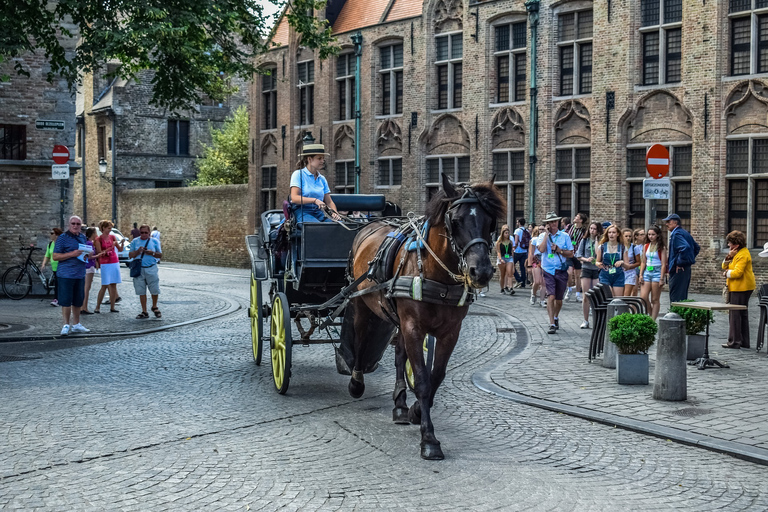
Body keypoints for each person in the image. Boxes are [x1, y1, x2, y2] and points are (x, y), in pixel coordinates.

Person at [51, 216, 91, 336]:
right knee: (66, 300)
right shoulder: (62, 238)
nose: (75, 226)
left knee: (78, 301)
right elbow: (55, 256)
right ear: (69, 224)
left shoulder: (83, 237)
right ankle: (65, 325)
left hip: (80, 274)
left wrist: (88, 254)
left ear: (81, 225)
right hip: (66, 274)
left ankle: (76, 324)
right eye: (73, 223)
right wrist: (72, 254)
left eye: (78, 224)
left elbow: (84, 254)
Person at [538, 212, 574, 334]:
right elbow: (541, 250)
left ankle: (555, 316)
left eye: (555, 221)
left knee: (559, 299)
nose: (553, 224)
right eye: (550, 222)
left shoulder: (565, 236)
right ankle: (551, 323)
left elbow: (571, 253)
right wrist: (546, 236)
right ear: (547, 224)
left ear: (558, 222)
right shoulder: (542, 236)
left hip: (561, 269)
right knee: (551, 296)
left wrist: (560, 250)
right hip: (548, 270)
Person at [289, 142, 341, 223]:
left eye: (323, 158)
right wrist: (314, 200)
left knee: (338, 225)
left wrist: (335, 213)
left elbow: (329, 201)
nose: (323, 161)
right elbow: (294, 198)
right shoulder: (298, 175)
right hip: (302, 212)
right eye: (319, 158)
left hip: (319, 212)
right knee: (316, 227)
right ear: (309, 159)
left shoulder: (322, 179)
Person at [721, 230, 756, 349]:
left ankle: (734, 342)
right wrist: (729, 257)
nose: (728, 245)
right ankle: (744, 341)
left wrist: (726, 274)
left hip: (741, 288)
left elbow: (738, 273)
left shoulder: (742, 255)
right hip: (741, 287)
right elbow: (724, 265)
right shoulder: (737, 253)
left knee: (735, 314)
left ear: (736, 244)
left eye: (730, 243)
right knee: (742, 314)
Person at [129, 224, 163, 319]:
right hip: (139, 268)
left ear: (149, 233)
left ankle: (154, 306)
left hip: (151, 267)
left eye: (146, 233)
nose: (144, 234)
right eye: (142, 233)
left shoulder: (154, 241)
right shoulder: (135, 241)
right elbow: (131, 255)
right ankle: (144, 311)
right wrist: (138, 251)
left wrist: (151, 253)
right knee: (141, 290)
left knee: (154, 288)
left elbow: (160, 255)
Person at [664, 213, 700, 302]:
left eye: (669, 222)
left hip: (679, 270)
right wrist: (689, 259)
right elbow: (696, 248)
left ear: (675, 223)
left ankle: (675, 315)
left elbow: (685, 247)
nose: (666, 224)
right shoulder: (685, 233)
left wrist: (680, 262)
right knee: (681, 296)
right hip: (685, 269)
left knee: (676, 297)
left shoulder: (676, 234)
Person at [576, 221, 603, 328]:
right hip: (586, 269)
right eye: (591, 228)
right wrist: (586, 259)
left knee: (596, 295)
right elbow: (578, 255)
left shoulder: (601, 242)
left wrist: (596, 239)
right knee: (586, 296)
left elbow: (597, 252)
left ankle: (596, 320)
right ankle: (585, 320)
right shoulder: (584, 240)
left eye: (594, 229)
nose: (592, 231)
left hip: (597, 270)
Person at [94, 220, 124, 313]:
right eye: (108, 228)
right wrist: (111, 247)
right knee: (104, 285)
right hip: (105, 263)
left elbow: (120, 249)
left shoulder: (113, 237)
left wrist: (121, 243)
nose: (110, 230)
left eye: (110, 228)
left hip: (114, 261)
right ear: (103, 228)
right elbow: (100, 253)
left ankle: (112, 306)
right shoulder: (98, 239)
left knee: (113, 284)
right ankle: (97, 307)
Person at [638, 226, 668, 320]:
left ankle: (652, 320)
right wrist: (641, 274)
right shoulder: (646, 246)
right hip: (647, 271)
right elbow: (643, 261)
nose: (651, 236)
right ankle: (650, 314)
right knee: (643, 297)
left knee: (655, 299)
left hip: (657, 272)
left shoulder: (661, 247)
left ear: (657, 235)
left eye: (653, 234)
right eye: (649, 234)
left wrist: (661, 278)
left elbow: (664, 264)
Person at [596, 224, 629, 298]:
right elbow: (597, 261)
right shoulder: (601, 247)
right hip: (605, 274)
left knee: (617, 299)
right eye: (609, 232)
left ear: (617, 234)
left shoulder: (623, 247)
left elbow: (628, 266)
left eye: (614, 232)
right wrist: (598, 264)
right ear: (607, 234)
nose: (611, 234)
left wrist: (622, 262)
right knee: (608, 297)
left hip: (618, 275)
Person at [565, 213, 587, 302]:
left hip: (578, 254)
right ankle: (569, 289)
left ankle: (578, 294)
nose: (575, 218)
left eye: (577, 217)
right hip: (569, 253)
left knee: (578, 276)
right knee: (569, 273)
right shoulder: (569, 227)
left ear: (581, 220)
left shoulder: (584, 230)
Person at [80, 227, 102, 315]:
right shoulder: (89, 243)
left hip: (87, 266)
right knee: (87, 288)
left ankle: (83, 306)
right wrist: (98, 255)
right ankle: (84, 307)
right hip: (89, 266)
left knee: (85, 287)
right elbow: (88, 256)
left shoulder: (87, 242)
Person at [41, 227, 63, 306]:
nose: (50, 235)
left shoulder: (61, 244)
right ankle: (58, 299)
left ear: (57, 235)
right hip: (54, 268)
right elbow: (47, 255)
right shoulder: (50, 244)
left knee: (58, 283)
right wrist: (44, 264)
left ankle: (57, 299)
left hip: (61, 267)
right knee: (57, 283)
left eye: (52, 233)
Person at [528, 225, 547, 307]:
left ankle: (542, 300)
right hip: (536, 260)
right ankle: (533, 294)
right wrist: (529, 265)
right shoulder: (535, 239)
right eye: (540, 229)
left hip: (545, 260)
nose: (541, 231)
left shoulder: (547, 238)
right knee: (537, 281)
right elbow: (531, 253)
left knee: (544, 282)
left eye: (543, 229)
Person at [621, 228, 643, 296]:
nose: (628, 238)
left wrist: (630, 266)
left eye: (630, 236)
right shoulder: (619, 247)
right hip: (620, 272)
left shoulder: (634, 248)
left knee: (626, 295)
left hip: (630, 273)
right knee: (619, 295)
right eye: (626, 236)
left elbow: (639, 262)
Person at [495, 225, 515, 294]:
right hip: (502, 258)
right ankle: (502, 288)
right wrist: (500, 259)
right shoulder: (499, 242)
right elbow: (498, 251)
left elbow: (512, 252)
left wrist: (513, 261)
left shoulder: (510, 242)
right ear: (503, 234)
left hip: (509, 258)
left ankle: (511, 288)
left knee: (510, 273)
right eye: (506, 233)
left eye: (508, 233)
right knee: (503, 274)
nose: (507, 234)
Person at [512, 218, 529, 289]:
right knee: (523, 268)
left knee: (511, 265)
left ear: (519, 223)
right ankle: (523, 283)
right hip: (524, 251)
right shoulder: (526, 230)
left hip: (517, 251)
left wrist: (514, 248)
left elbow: (516, 242)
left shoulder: (517, 230)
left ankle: (518, 279)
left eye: (517, 222)